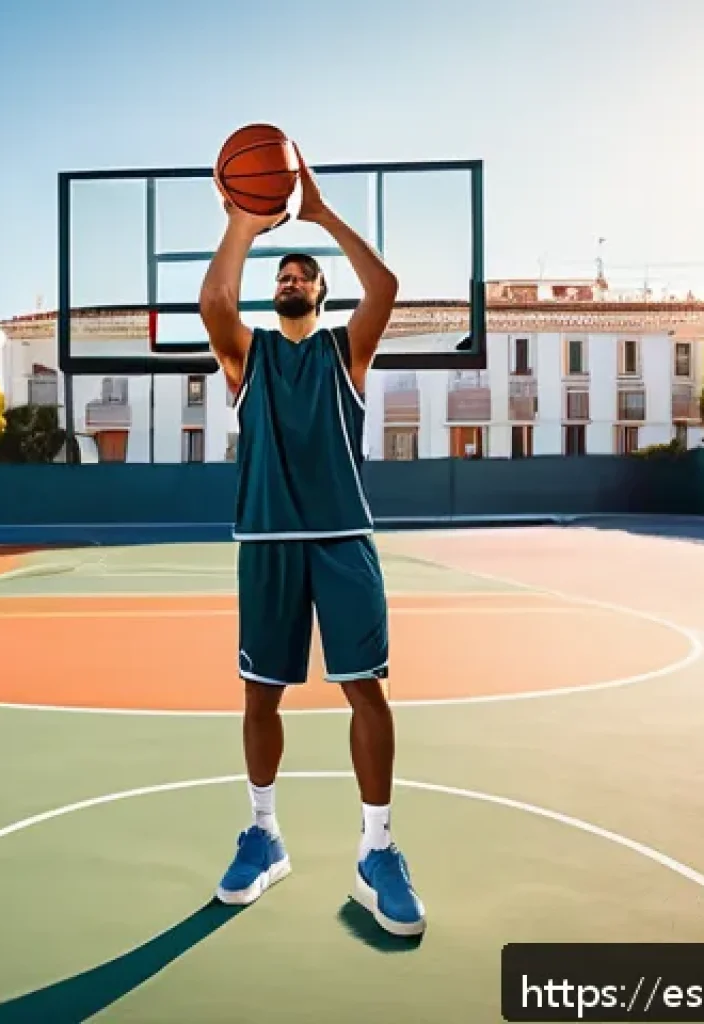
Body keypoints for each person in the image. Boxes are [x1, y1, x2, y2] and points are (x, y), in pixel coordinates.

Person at [197, 146, 425, 937]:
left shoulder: (345, 352)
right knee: (262, 694)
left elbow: (387, 289)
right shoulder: (247, 356)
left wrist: (320, 213)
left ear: (322, 291)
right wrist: (240, 222)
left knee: (366, 690)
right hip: (266, 540)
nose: (291, 279)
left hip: (342, 538)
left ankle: (377, 850)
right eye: (282, 274)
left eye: (304, 274)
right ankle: (263, 835)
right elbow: (215, 301)